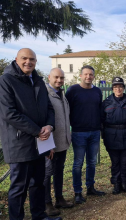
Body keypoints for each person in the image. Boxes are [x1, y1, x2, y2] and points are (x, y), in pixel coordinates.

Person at [0, 48, 60, 220]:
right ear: (16, 59)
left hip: (40, 143)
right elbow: (9, 113)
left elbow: (49, 107)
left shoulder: (38, 81)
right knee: (19, 188)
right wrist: (37, 131)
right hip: (19, 143)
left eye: (32, 59)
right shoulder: (6, 81)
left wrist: (49, 126)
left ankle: (39, 216)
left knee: (38, 184)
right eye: (24, 58)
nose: (29, 62)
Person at [65, 65, 105, 204]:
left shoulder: (97, 91)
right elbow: (66, 110)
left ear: (94, 76)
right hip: (78, 132)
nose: (88, 77)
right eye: (86, 74)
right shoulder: (72, 90)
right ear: (81, 75)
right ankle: (77, 192)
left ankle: (91, 187)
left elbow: (99, 110)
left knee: (92, 162)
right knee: (78, 164)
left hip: (94, 132)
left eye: (91, 74)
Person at [44, 68, 74, 216]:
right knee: (46, 174)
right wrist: (47, 145)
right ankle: (47, 203)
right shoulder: (44, 95)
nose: (59, 80)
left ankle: (59, 198)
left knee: (59, 172)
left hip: (62, 143)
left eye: (61, 78)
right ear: (49, 77)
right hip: (49, 145)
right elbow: (42, 121)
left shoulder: (62, 94)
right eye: (56, 77)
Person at [101, 77, 126, 195]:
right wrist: (104, 136)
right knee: (115, 162)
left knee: (125, 161)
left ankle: (124, 183)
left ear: (123, 88)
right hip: (112, 136)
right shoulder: (106, 102)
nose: (118, 89)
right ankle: (116, 184)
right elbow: (101, 120)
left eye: (120, 86)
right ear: (112, 89)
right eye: (116, 87)